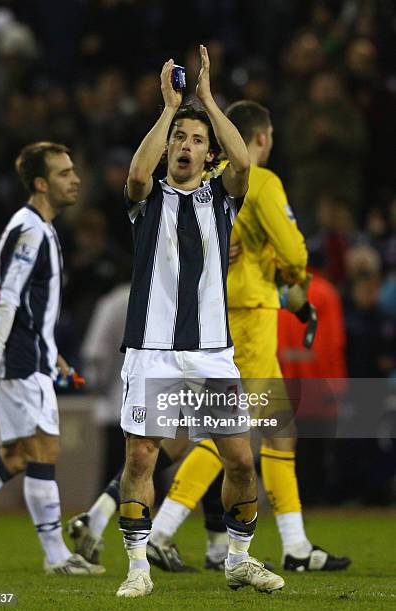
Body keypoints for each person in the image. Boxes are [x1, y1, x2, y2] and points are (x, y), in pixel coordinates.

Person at [146, 101, 350, 572]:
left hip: (209, 315)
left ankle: (296, 547)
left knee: (279, 432)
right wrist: (294, 277)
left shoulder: (204, 182)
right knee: (230, 435)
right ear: (261, 136)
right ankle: (160, 531)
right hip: (250, 318)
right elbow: (294, 249)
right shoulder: (259, 179)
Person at [113, 46, 284, 598]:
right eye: (179, 140)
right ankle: (138, 568)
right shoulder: (148, 199)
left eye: (195, 141)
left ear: (208, 156)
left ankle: (237, 559)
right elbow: (137, 172)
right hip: (153, 349)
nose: (185, 147)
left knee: (239, 460)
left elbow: (244, 166)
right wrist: (169, 110)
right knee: (141, 456)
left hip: (212, 352)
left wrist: (209, 101)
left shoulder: (221, 200)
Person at [0, 142, 103, 576]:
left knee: (19, 456)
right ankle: (56, 557)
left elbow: (34, 308)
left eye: (74, 170)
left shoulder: (41, 227)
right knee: (44, 449)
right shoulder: (31, 230)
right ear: (41, 183)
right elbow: (7, 301)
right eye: (64, 173)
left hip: (33, 356)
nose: (75, 178)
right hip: (19, 359)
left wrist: (54, 356)